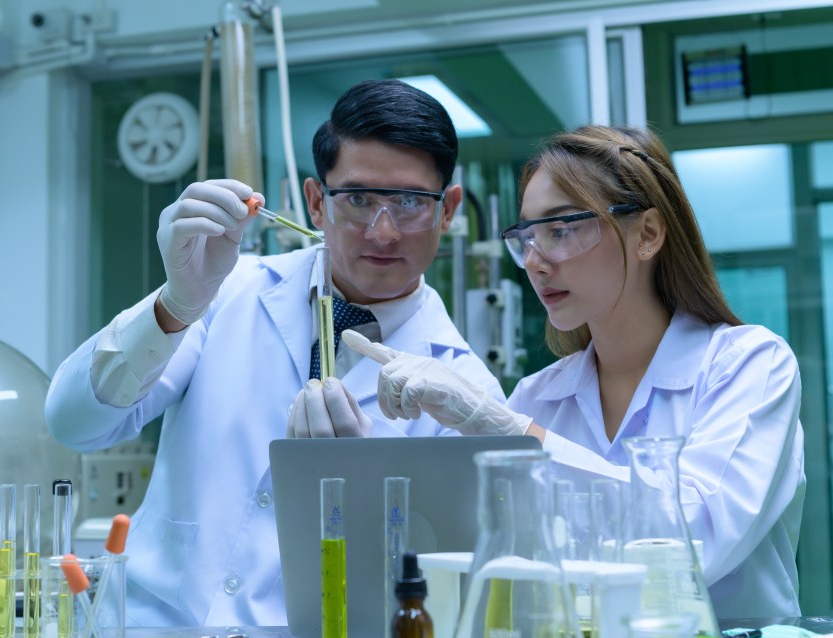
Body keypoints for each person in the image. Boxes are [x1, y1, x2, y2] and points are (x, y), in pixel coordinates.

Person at [43, 79, 506, 627]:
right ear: (315, 202)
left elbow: (440, 600)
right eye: (357, 199)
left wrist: (355, 495)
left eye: (409, 202)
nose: (383, 232)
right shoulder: (225, 291)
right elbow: (73, 423)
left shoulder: (466, 392)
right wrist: (175, 304)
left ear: (447, 209)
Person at [345, 124, 805, 619]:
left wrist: (517, 435)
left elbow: (694, 545)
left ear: (647, 234)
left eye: (561, 230)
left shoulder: (749, 365)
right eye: (526, 237)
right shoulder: (537, 396)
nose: (535, 263)